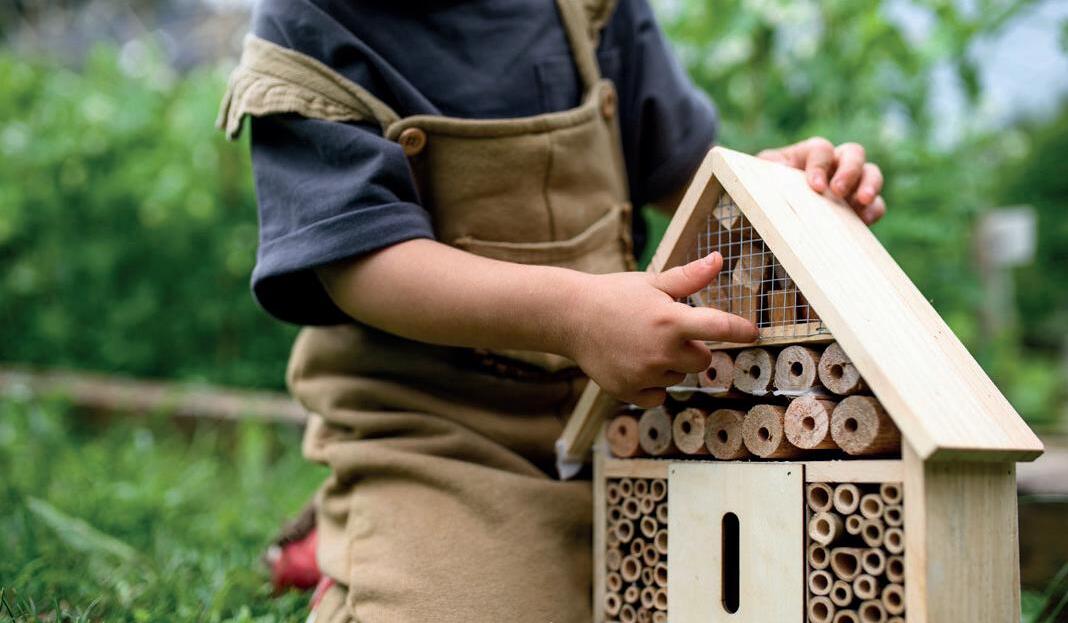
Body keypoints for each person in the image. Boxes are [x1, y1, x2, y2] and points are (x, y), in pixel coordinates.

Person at [217, 0, 886, 620]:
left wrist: (772, 185)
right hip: (438, 426)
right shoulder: (311, 25)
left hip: (623, 413)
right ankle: (378, 527)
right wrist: (574, 316)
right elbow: (361, 264)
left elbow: (680, 174)